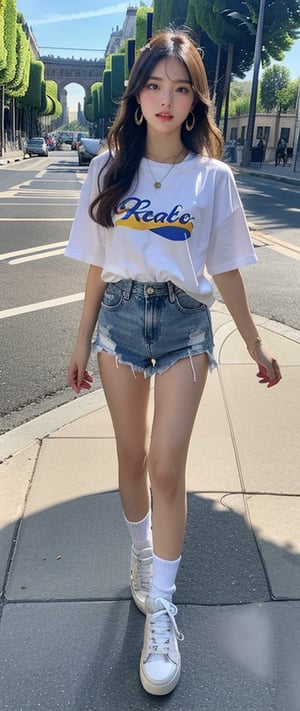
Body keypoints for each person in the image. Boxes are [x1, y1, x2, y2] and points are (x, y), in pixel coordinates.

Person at [65, 28, 282, 697]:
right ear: (135, 96)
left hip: (186, 322)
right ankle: (141, 555)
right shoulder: (108, 169)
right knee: (130, 458)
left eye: (181, 87)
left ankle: (162, 607)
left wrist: (252, 343)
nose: (166, 98)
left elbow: (227, 268)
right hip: (120, 323)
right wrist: (80, 339)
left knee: (167, 464)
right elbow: (99, 266)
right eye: (155, 85)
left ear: (195, 102)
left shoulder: (213, 177)